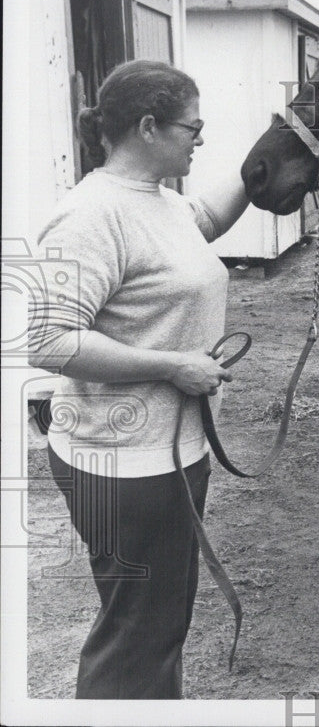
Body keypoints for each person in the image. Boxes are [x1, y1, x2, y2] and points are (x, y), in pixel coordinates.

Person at [28, 60, 251, 698]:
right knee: (137, 638)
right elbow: (49, 338)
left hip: (168, 456)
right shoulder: (92, 214)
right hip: (124, 464)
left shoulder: (157, 200)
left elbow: (203, 221)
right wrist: (174, 366)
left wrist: (275, 151)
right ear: (149, 126)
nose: (199, 139)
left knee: (157, 629)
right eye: (193, 127)